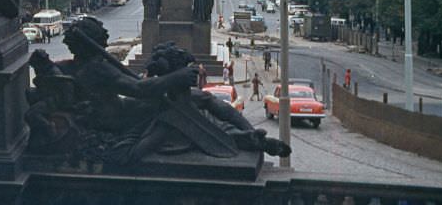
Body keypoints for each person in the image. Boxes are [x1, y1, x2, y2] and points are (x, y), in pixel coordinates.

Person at [26, 19, 291, 163]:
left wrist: (44, 63)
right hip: (116, 118)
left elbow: (60, 70)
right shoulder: (98, 68)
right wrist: (175, 78)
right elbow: (139, 89)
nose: (105, 44)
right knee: (189, 106)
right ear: (94, 43)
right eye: (101, 41)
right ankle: (244, 137)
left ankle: (247, 134)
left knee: (203, 99)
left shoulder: (81, 64)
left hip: (116, 111)